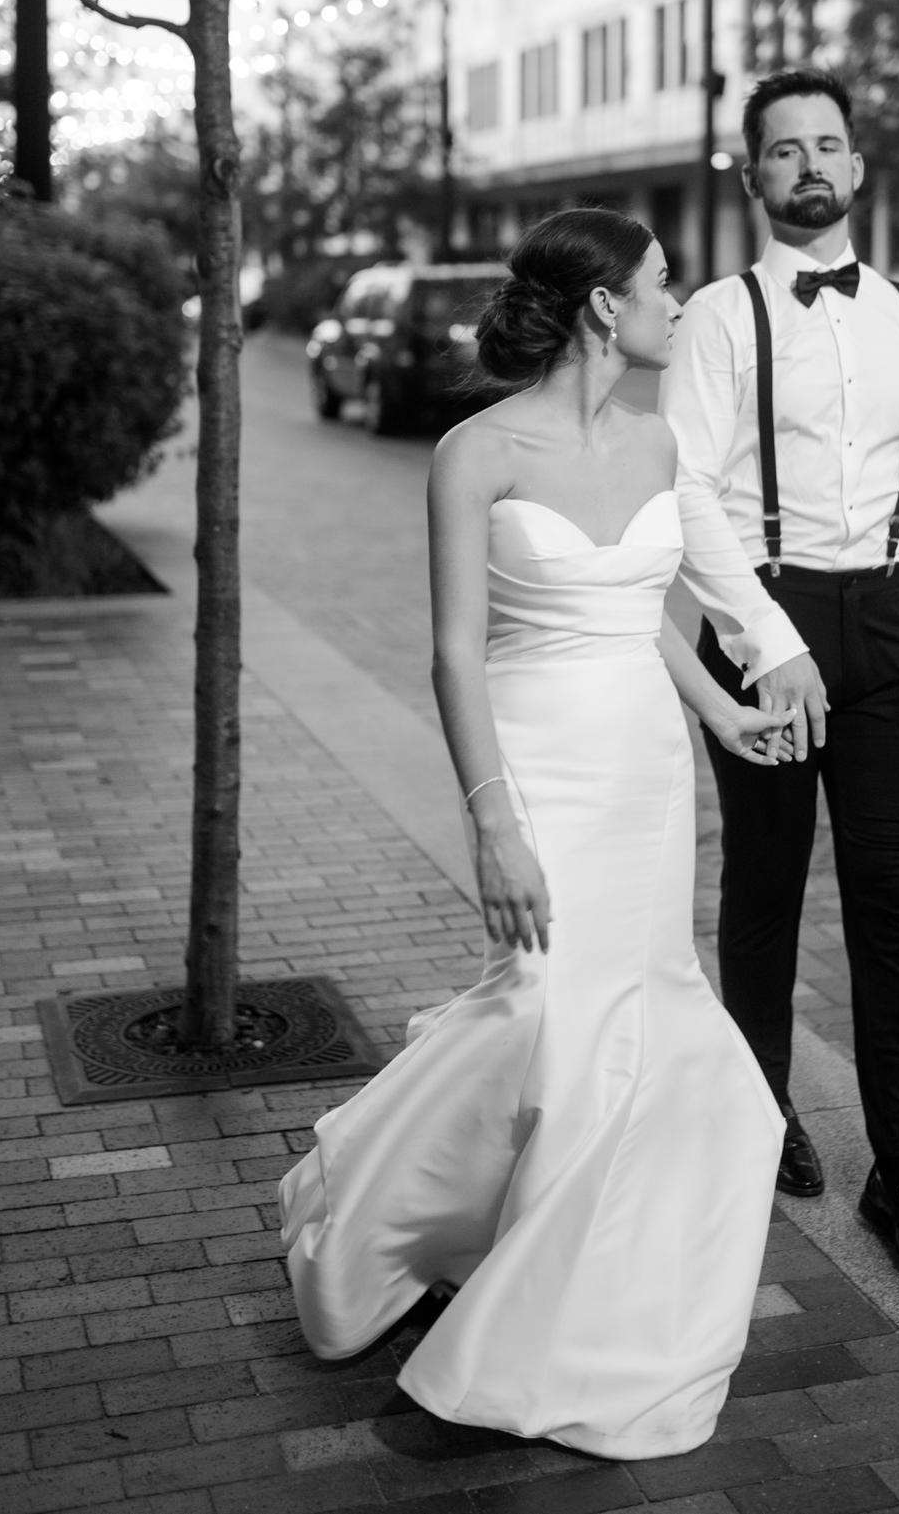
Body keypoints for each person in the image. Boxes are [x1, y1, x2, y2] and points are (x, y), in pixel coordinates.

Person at [278, 208, 795, 1460]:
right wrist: (490, 821)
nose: (685, 300)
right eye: (666, 283)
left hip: (645, 774)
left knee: (631, 1013)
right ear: (608, 307)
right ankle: (382, 1216)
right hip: (538, 766)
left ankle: (582, 1288)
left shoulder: (658, 439)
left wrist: (723, 710)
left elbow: (644, 601)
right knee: (540, 1014)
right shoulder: (472, 451)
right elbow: (454, 653)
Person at [659, 65, 899, 1290]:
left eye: (828, 146)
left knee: (893, 906)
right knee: (765, 887)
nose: (809, 165)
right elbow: (687, 490)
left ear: (856, 169)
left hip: (895, 623)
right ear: (753, 178)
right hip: (767, 614)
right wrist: (768, 639)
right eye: (784, 149)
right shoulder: (715, 316)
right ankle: (760, 1112)